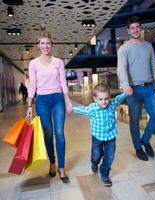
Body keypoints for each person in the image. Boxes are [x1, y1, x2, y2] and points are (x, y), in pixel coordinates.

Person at [26, 31, 72, 183]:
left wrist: (67, 100)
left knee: (59, 133)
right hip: (42, 101)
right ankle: (52, 162)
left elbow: (63, 82)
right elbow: (32, 84)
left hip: (58, 98)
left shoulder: (58, 62)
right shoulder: (33, 64)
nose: (45, 46)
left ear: (51, 45)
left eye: (48, 43)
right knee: (48, 134)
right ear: (38, 45)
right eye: (42, 43)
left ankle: (62, 167)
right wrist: (30, 104)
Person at [117, 16, 155, 161]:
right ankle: (137, 147)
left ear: (140, 28)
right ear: (128, 30)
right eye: (132, 28)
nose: (135, 30)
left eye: (137, 27)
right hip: (133, 90)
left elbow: (153, 67)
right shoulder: (124, 48)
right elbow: (121, 68)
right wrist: (125, 84)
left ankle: (145, 139)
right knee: (134, 121)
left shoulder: (148, 46)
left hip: (149, 88)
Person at [73, 83, 125, 187]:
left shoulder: (112, 104)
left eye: (106, 98)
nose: (104, 102)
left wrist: (126, 93)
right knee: (96, 156)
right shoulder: (92, 108)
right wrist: (71, 108)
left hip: (111, 136)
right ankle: (94, 163)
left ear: (109, 97)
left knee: (109, 157)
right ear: (95, 99)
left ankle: (104, 174)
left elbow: (119, 98)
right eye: (101, 99)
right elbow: (82, 110)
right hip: (97, 137)